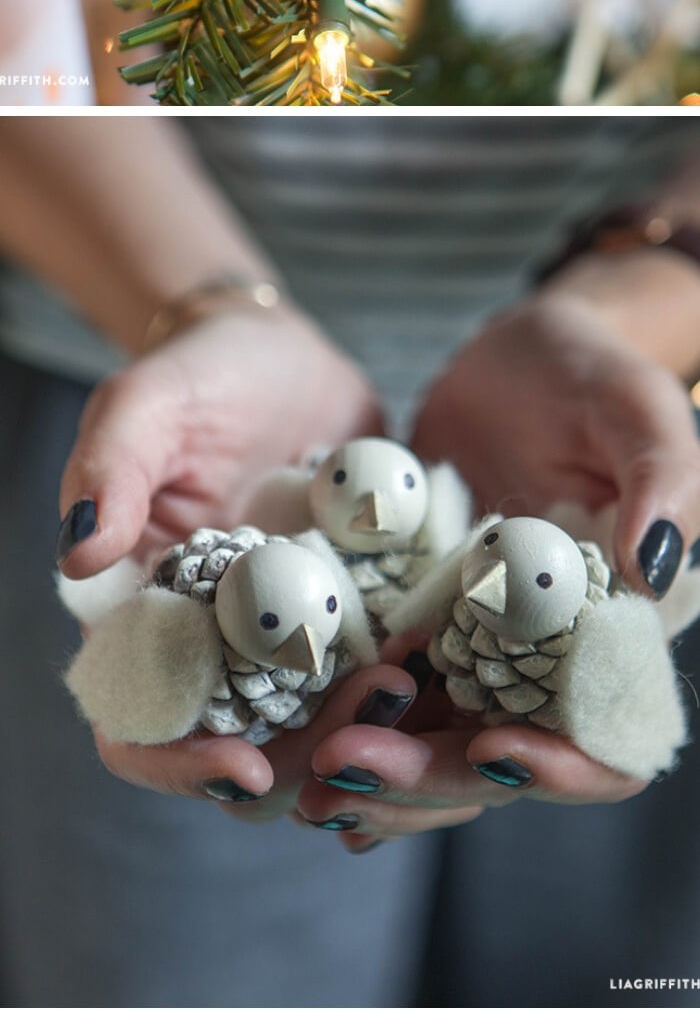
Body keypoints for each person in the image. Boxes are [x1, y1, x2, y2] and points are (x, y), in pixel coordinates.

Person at [1, 113, 700, 1009]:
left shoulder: (482, 570)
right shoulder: (242, 564)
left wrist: (659, 285)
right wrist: (199, 301)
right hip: (143, 390)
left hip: (632, 418)